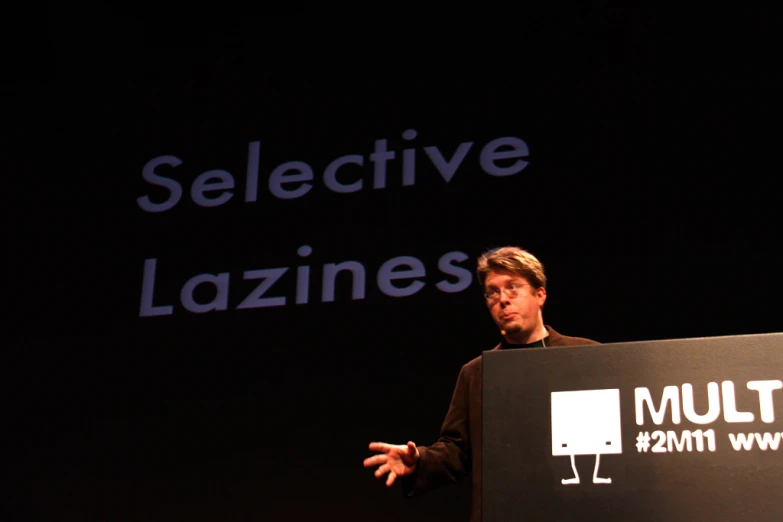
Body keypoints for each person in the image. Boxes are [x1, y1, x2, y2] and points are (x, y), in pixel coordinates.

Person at [363, 246, 599, 522]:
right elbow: (456, 450)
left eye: (512, 287)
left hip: (574, 507)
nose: (502, 300)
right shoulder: (476, 373)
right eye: (493, 292)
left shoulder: (586, 357)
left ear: (540, 294)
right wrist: (420, 461)